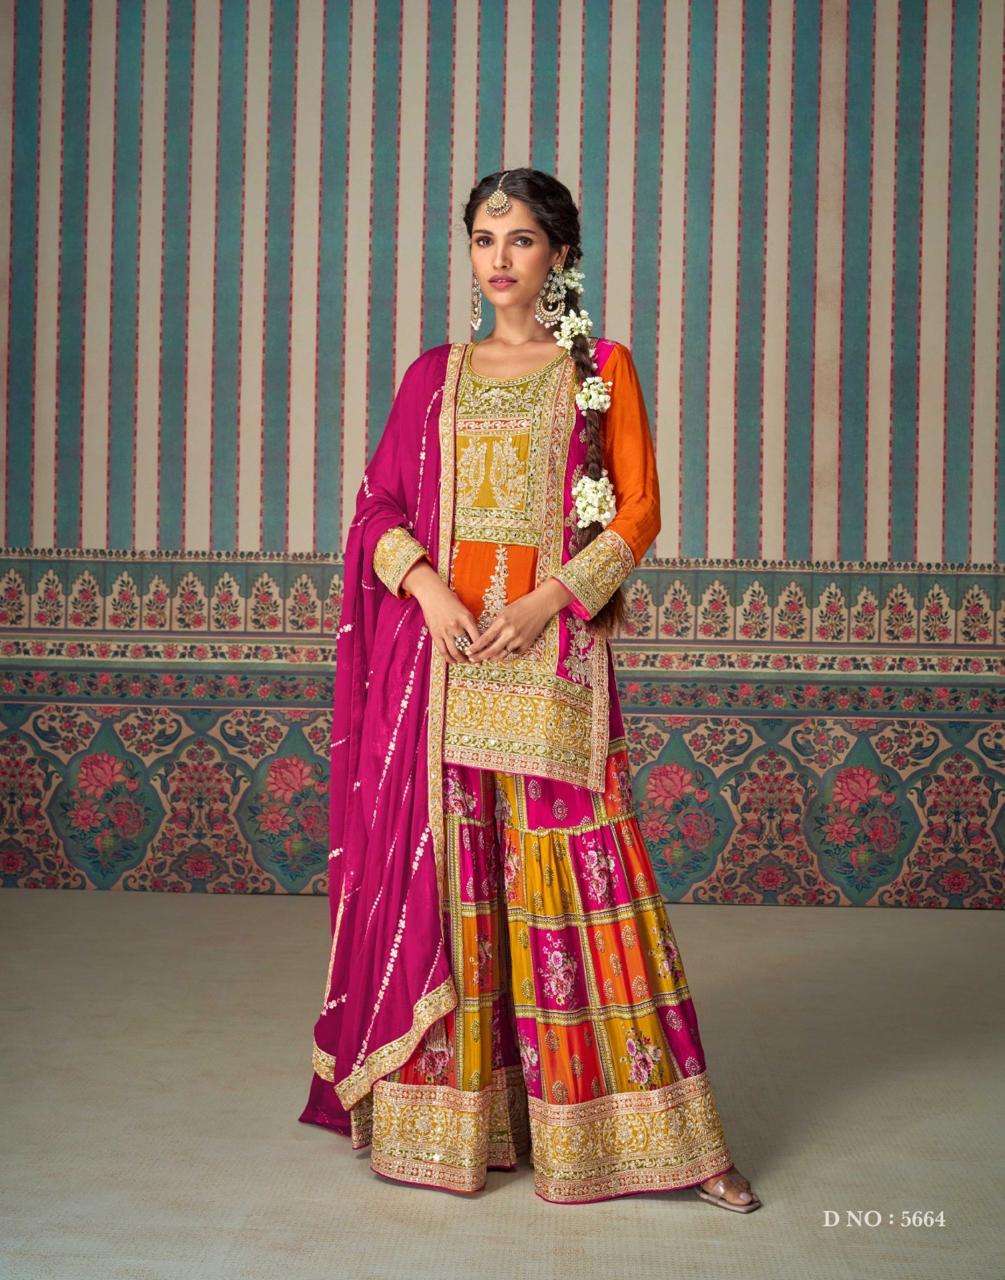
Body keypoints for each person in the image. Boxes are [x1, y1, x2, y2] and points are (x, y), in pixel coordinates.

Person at [299, 168, 761, 1212]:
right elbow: (377, 508)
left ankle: (669, 1142)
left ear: (559, 253)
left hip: (551, 661)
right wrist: (426, 590)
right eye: (483, 238)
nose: (499, 258)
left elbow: (636, 515)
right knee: (456, 894)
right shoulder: (434, 376)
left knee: (586, 893)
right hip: (446, 667)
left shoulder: (599, 370)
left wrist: (550, 601)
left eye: (519, 239)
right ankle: (457, 1125)